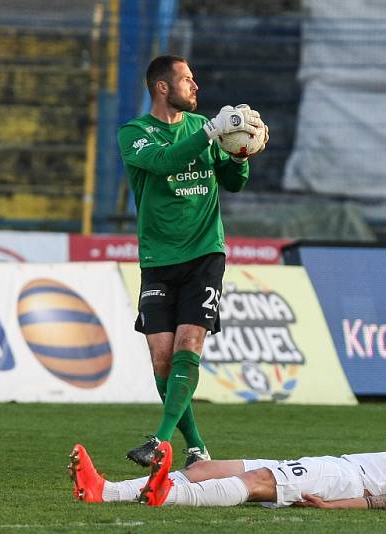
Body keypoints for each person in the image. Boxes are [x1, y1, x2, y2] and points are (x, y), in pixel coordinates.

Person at [116, 55, 269, 469]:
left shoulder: (204, 129)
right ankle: (197, 446)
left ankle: (160, 441)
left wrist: (239, 155)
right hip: (158, 258)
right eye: (186, 79)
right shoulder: (134, 133)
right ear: (162, 87)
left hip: (204, 253)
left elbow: (233, 184)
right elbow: (166, 162)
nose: (195, 86)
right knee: (162, 359)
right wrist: (210, 132)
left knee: (188, 345)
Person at [68, 423, 386, 511]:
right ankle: (104, 490)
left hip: (342, 476)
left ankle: (166, 494)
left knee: (254, 483)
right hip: (340, 470)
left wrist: (340, 507)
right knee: (208, 469)